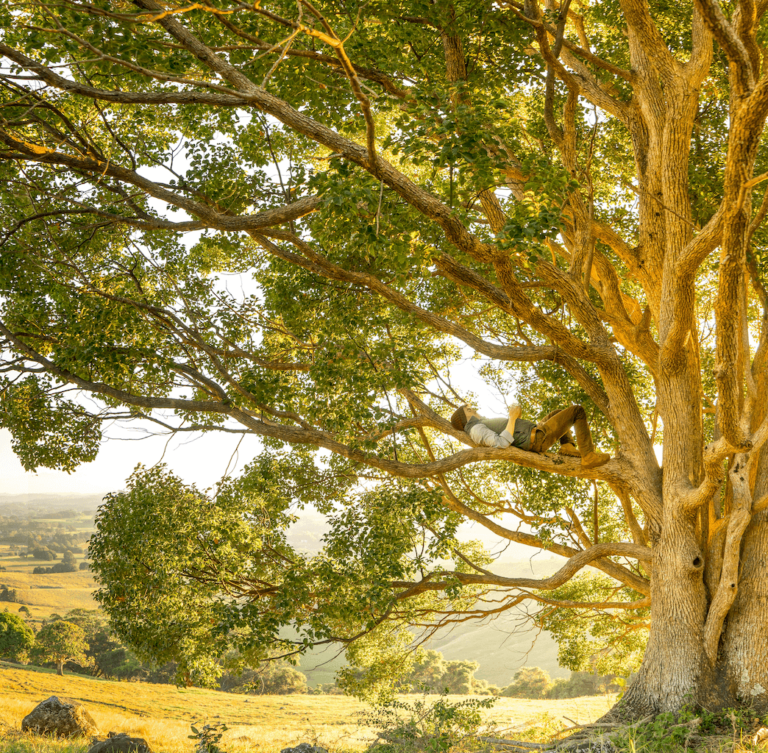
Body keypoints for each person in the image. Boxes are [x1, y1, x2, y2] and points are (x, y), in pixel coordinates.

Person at [450, 402, 611, 470]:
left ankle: (567, 446)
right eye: (469, 410)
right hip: (537, 439)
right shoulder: (476, 429)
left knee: (557, 413)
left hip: (535, 433)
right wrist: (512, 418)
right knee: (577, 411)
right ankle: (588, 456)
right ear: (467, 418)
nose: (474, 409)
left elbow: (510, 432)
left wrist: (516, 417)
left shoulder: (481, 423)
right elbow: (500, 443)